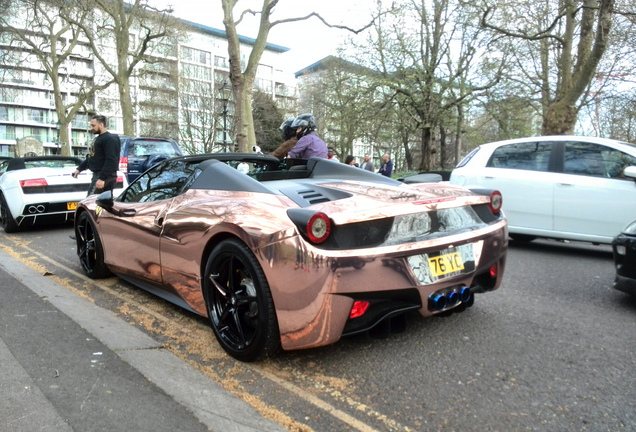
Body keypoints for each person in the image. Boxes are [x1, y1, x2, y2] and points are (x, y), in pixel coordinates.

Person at [72, 115, 120, 196]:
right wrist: (79, 169)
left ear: (101, 125)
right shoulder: (98, 139)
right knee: (99, 204)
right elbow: (92, 157)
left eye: (93, 125)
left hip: (105, 176)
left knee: (91, 202)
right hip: (98, 175)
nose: (91, 128)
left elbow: (111, 160)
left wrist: (102, 178)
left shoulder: (110, 139)